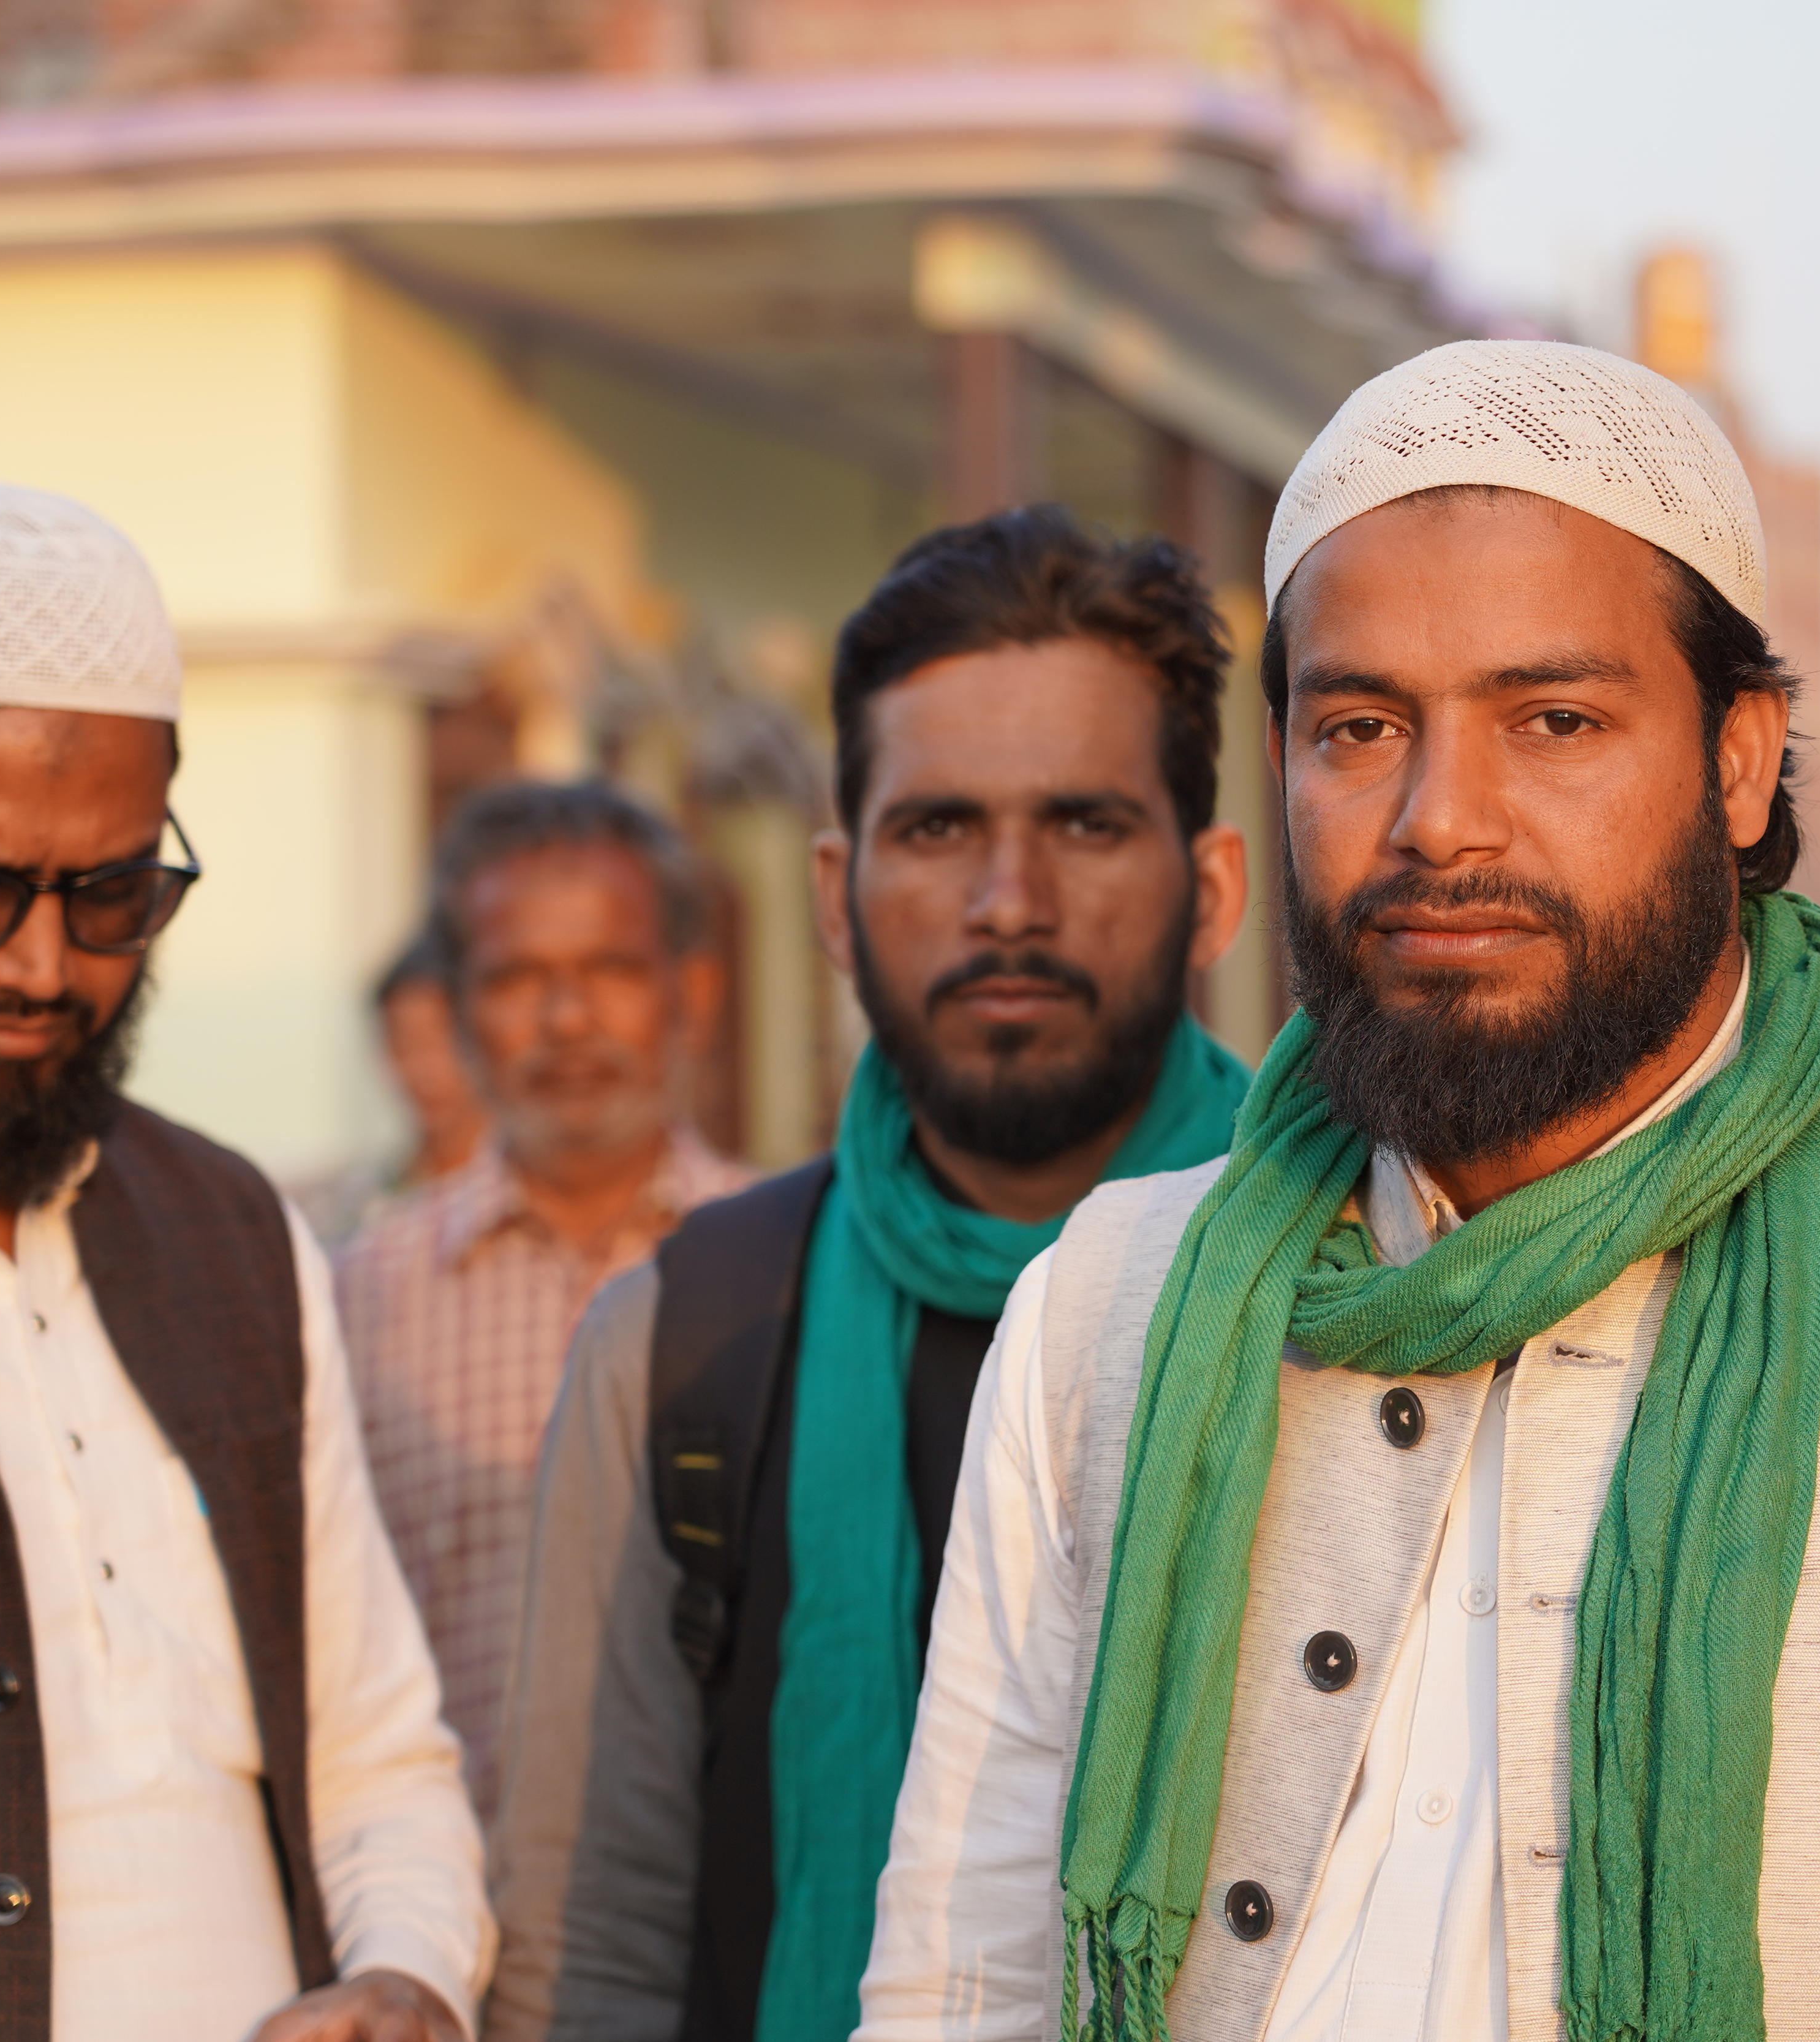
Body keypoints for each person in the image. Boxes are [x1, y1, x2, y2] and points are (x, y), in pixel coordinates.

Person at [858, 342, 1820, 2042]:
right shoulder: (1109, 1309)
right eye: (1361, 727)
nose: (1440, 818)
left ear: (1739, 760)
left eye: (1553, 719)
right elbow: (960, 1990)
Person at [486, 505, 1253, 2042]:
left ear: (1215, 890)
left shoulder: (1354, 1305)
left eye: (1087, 823)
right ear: (834, 896)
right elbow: (596, 1953)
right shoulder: (687, 1340)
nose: (1008, 902)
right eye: (939, 828)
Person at [0, 482, 487, 2040]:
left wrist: (408, 1974)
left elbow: (377, 1756)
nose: (39, 965)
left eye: (108, 893)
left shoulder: (235, 1235)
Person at [337, 779, 753, 1820]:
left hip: (743, 1929)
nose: (567, 1019)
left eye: (609, 968)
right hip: (458, 1934)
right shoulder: (364, 1299)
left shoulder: (784, 1269)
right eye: (519, 976)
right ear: (459, 1009)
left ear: (692, 994)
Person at [296, 933, 490, 1249]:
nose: (421, 1071)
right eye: (401, 1045)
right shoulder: (353, 1205)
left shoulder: (528, 1199)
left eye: (439, 1042)